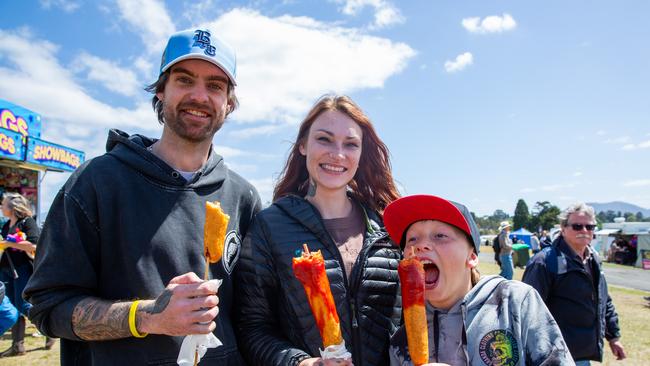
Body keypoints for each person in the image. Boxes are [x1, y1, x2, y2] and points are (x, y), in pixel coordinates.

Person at [24, 28, 261, 365]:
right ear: (161, 91)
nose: (199, 96)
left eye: (214, 86)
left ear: (228, 103)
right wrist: (147, 316)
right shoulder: (96, 183)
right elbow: (49, 306)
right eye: (184, 80)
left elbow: (253, 316)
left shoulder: (243, 197)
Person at [235, 95, 402, 366]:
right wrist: (301, 363)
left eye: (350, 144)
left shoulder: (387, 229)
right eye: (324, 139)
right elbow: (252, 327)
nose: (337, 154)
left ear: (361, 154)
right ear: (303, 146)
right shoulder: (269, 226)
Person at [383, 195, 574, 365]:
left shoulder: (514, 303)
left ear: (472, 256)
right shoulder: (402, 341)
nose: (421, 245)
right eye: (412, 239)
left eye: (440, 236)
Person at [523, 203, 625, 365]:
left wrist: (613, 337)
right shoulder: (543, 262)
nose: (584, 231)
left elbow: (603, 300)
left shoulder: (594, 260)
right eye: (577, 226)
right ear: (563, 229)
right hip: (554, 356)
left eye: (590, 226)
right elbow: (528, 311)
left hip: (582, 354)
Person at [0, 192, 54, 356]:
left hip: (22, 269)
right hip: (6, 270)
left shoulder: (27, 223)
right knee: (13, 306)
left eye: (3, 204)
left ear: (13, 207)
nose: (1, 206)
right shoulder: (6, 224)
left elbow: (35, 246)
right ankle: (18, 346)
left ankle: (50, 330)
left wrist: (9, 243)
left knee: (23, 305)